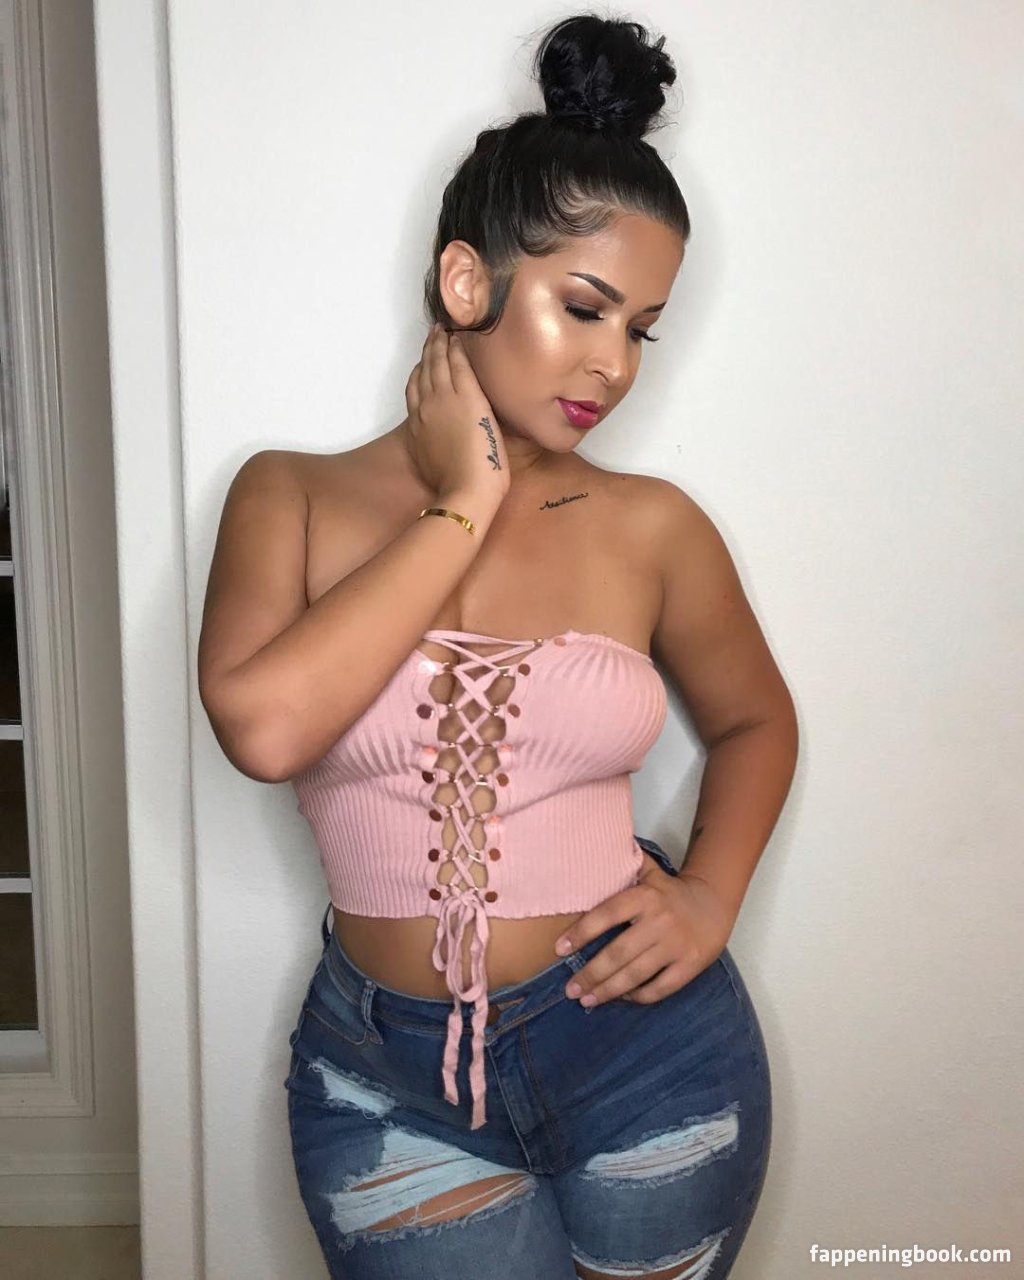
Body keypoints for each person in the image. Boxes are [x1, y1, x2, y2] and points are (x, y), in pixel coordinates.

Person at [198, 13, 798, 1279]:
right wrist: (461, 503)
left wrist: (708, 894)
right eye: (583, 307)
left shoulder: (653, 525)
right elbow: (263, 728)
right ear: (466, 283)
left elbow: (756, 720)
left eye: (640, 328)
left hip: (650, 1050)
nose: (613, 365)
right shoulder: (288, 493)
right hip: (384, 1082)